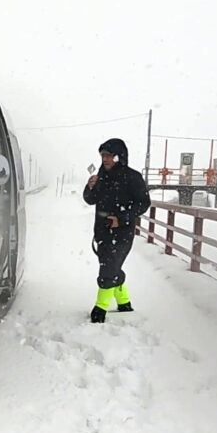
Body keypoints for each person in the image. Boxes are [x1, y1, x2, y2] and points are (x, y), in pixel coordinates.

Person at [83, 138, 151, 323]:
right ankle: (124, 302)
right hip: (102, 232)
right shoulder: (101, 176)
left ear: (119, 156)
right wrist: (89, 187)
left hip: (122, 233)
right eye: (102, 155)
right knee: (112, 266)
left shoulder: (132, 177)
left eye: (108, 155)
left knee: (108, 268)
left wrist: (121, 218)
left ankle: (100, 309)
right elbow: (90, 200)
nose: (105, 159)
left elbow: (144, 203)